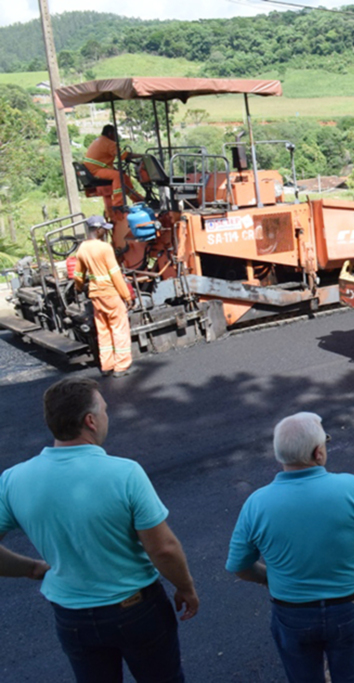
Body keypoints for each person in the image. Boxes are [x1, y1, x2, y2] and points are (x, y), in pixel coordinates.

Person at [0, 378, 199, 683]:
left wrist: (33, 569)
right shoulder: (125, 473)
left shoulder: (13, 480)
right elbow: (163, 548)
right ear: (90, 421)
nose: (108, 416)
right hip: (136, 610)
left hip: (72, 618)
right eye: (104, 410)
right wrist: (185, 587)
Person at [226, 412, 354, 683]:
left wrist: (270, 579)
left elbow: (239, 565)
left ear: (280, 457)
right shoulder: (353, 487)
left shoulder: (257, 503)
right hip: (346, 607)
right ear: (318, 453)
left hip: (292, 614)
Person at [73, 215, 135, 377]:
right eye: (104, 230)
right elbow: (115, 274)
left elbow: (78, 275)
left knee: (103, 330)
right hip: (110, 293)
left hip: (95, 295)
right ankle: (121, 366)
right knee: (119, 328)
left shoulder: (82, 249)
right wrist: (127, 296)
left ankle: (107, 365)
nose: (105, 232)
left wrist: (78, 288)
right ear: (99, 230)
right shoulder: (104, 248)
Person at [83, 124, 144, 210]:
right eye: (115, 134)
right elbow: (124, 155)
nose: (116, 137)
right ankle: (118, 204)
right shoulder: (109, 143)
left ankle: (137, 199)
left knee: (124, 177)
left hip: (92, 170)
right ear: (110, 133)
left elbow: (103, 161)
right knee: (118, 176)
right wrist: (143, 156)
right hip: (95, 171)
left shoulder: (99, 140)